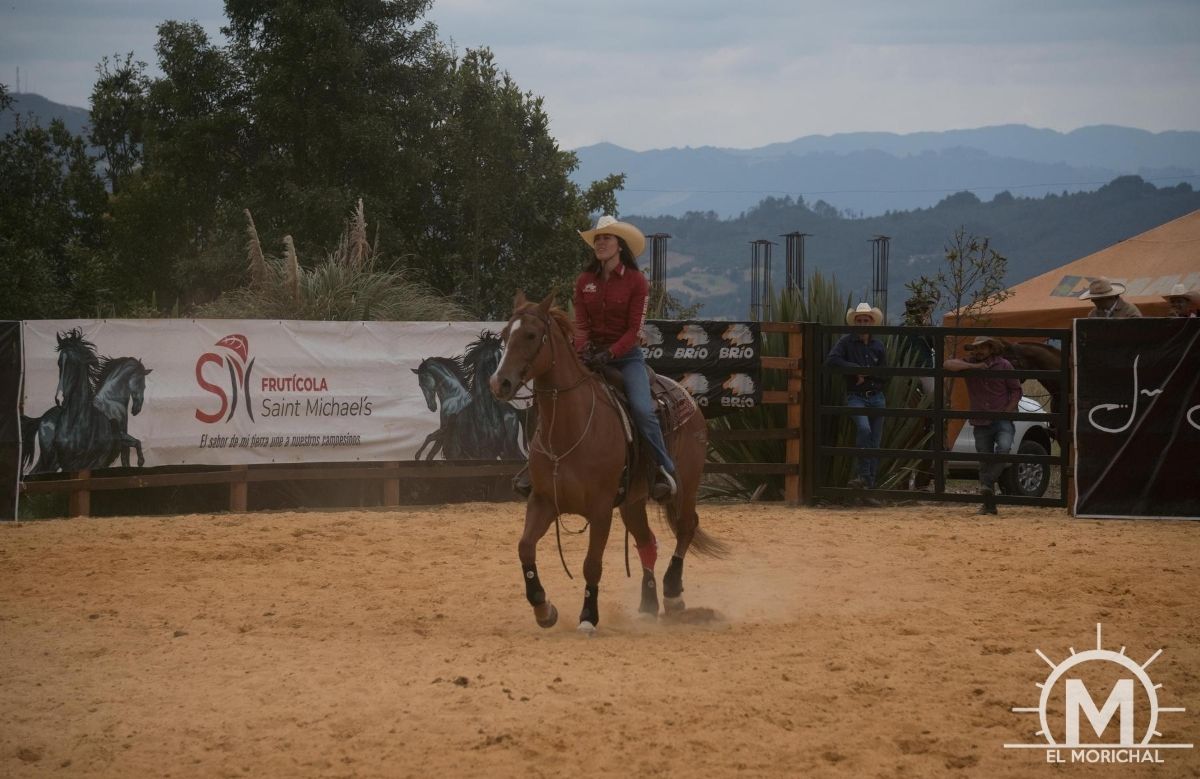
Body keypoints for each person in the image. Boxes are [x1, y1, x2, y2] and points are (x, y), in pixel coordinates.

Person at [575, 215, 678, 500]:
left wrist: (610, 353)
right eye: (597, 238)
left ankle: (663, 468)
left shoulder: (636, 282)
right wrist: (582, 351)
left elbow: (635, 330)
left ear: (620, 245)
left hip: (627, 358)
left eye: (606, 238)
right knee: (561, 395)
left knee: (643, 410)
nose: (600, 243)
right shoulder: (585, 281)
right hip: (591, 355)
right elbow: (581, 325)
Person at [943, 335, 1022, 515]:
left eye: (982, 348)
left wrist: (1008, 409)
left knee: (1003, 449)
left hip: (1001, 417)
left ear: (990, 349)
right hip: (981, 419)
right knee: (985, 459)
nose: (978, 351)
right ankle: (989, 503)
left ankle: (987, 484)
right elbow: (948, 365)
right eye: (976, 348)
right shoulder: (970, 363)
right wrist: (975, 366)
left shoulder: (1004, 365)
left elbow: (1015, 389)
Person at [825, 303, 887, 490]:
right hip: (857, 395)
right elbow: (831, 361)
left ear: (871, 322)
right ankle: (863, 476)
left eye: (865, 320)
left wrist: (865, 374)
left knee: (874, 442)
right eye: (859, 320)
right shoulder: (846, 342)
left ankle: (867, 483)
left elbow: (885, 372)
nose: (862, 323)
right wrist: (855, 370)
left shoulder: (878, 345)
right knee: (865, 430)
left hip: (876, 395)